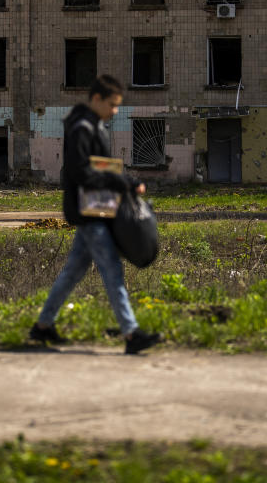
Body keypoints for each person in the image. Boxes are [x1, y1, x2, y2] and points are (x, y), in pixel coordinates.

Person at [29, 75, 162, 354]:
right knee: (112, 270)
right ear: (97, 99)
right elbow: (80, 172)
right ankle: (131, 333)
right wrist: (123, 183)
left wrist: (125, 180)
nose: (115, 111)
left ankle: (42, 327)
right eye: (112, 105)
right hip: (88, 209)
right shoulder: (82, 127)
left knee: (73, 272)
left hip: (94, 207)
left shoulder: (93, 125)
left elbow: (102, 166)